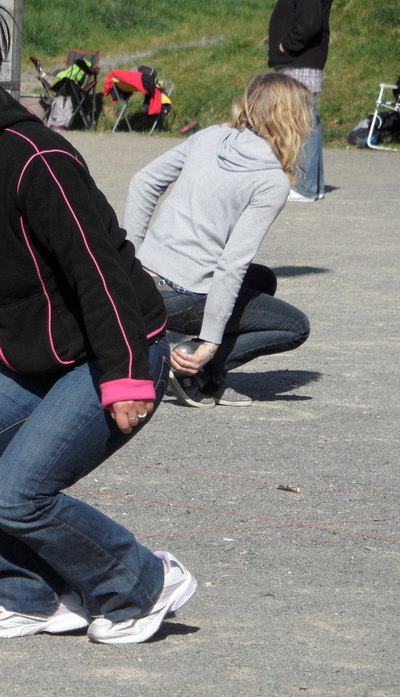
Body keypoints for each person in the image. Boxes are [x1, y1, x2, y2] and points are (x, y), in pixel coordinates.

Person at [0, 0, 195, 645]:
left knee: (18, 493)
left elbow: (102, 273)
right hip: (41, 362)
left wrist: (123, 378)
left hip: (115, 349)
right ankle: (36, 594)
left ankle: (145, 581)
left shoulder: (35, 158)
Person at [123, 73, 312, 408]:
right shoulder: (271, 181)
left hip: (143, 279)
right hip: (182, 293)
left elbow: (142, 182)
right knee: (295, 326)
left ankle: (197, 367)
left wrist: (132, 259)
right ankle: (185, 359)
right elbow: (231, 265)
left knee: (263, 279)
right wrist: (209, 345)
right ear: (293, 119)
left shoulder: (209, 136)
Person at [268, 0, 332, 202]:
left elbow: (310, 22)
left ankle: (305, 186)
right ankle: (313, 185)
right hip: (301, 59)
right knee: (308, 121)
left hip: (300, 60)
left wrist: (287, 43)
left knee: (301, 122)